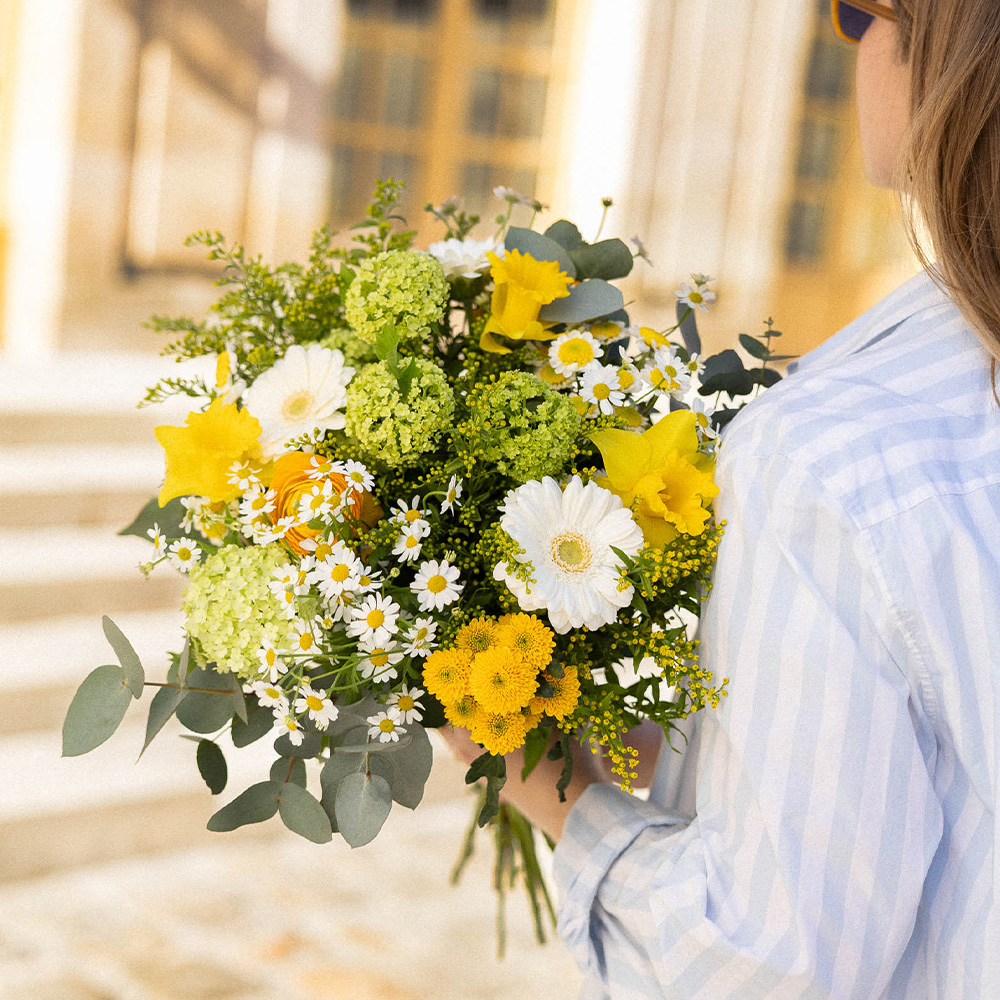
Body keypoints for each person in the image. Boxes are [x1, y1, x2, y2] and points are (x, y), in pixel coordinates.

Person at [442, 1, 1000, 996]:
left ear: (952, 45)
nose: (847, 39)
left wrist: (557, 785)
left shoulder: (839, 459)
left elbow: (768, 963)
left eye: (857, 8)